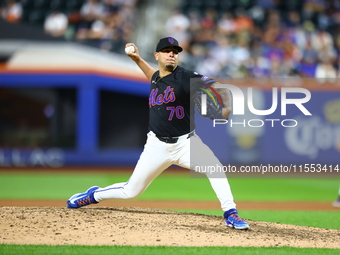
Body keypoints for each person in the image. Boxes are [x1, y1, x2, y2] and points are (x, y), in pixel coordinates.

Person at [66, 37, 249, 230]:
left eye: (175, 51)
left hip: (186, 143)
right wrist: (136, 59)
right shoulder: (156, 77)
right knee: (131, 191)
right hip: (156, 146)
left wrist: (225, 107)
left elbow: (218, 87)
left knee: (215, 168)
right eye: (167, 50)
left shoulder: (187, 76)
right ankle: (93, 195)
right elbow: (152, 74)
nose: (172, 54)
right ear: (157, 55)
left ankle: (231, 213)